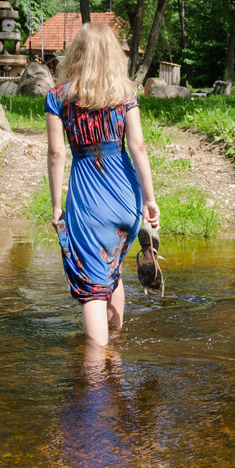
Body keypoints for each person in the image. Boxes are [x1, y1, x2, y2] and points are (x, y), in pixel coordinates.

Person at [45, 23, 160, 346]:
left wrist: (56, 205)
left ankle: (97, 364)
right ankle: (117, 344)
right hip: (125, 196)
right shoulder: (124, 94)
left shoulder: (58, 96)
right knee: (112, 271)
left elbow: (57, 154)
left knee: (92, 287)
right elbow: (138, 147)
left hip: (88, 201)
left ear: (76, 54)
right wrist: (149, 199)